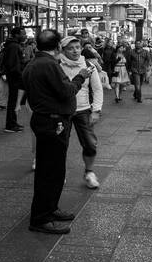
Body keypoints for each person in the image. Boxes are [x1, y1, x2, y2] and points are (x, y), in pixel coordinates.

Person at [23, 29, 91, 234]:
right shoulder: (49, 65)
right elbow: (66, 91)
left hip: (45, 120)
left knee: (51, 169)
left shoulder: (33, 64)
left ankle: (50, 208)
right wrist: (81, 76)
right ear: (58, 47)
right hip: (52, 122)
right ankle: (41, 217)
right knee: (50, 171)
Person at [58, 36, 104, 189]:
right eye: (70, 48)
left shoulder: (88, 64)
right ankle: (59, 173)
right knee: (60, 144)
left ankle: (89, 172)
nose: (75, 51)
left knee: (90, 144)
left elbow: (97, 89)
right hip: (62, 112)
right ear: (63, 50)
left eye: (77, 47)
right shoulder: (57, 65)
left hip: (83, 110)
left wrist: (96, 110)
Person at [1, 27, 27, 132]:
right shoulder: (14, 46)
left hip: (14, 77)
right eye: (23, 34)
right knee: (13, 101)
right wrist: (20, 75)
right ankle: (10, 125)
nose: (25, 36)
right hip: (15, 78)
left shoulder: (13, 45)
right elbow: (13, 64)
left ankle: (13, 122)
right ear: (16, 35)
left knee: (14, 100)